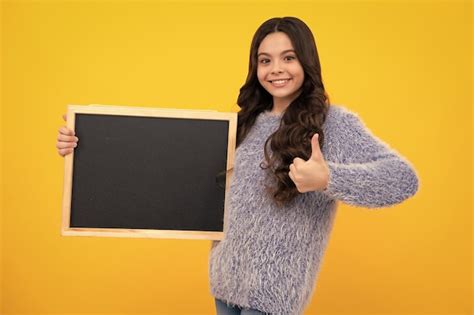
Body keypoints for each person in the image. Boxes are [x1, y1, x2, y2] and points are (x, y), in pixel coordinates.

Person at [56, 16, 419, 315]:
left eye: (288, 58)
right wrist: (85, 145)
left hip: (274, 293)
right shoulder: (242, 123)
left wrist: (329, 178)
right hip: (226, 282)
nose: (276, 69)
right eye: (265, 60)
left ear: (306, 62)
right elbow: (164, 169)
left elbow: (403, 179)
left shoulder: (333, 123)